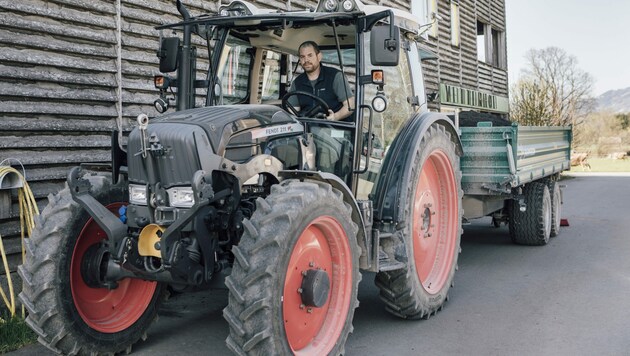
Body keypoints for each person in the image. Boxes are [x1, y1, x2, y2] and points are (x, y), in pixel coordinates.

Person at [288, 41, 354, 121]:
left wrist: (335, 117)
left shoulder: (335, 77)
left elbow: (350, 105)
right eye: (302, 57)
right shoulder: (297, 83)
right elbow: (293, 110)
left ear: (319, 57)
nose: (306, 60)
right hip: (308, 128)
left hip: (336, 128)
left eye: (310, 55)